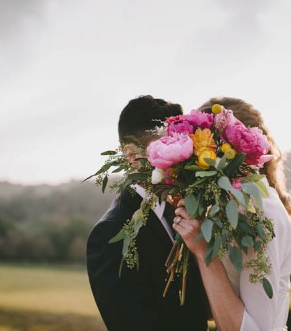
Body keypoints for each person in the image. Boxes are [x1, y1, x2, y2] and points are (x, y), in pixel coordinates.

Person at [173, 97, 291, 331]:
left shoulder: (258, 211)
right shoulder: (228, 205)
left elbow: (252, 329)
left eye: (206, 149)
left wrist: (202, 251)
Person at [86, 95, 209, 331]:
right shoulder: (109, 235)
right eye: (167, 148)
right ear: (131, 155)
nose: (181, 159)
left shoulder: (185, 212)